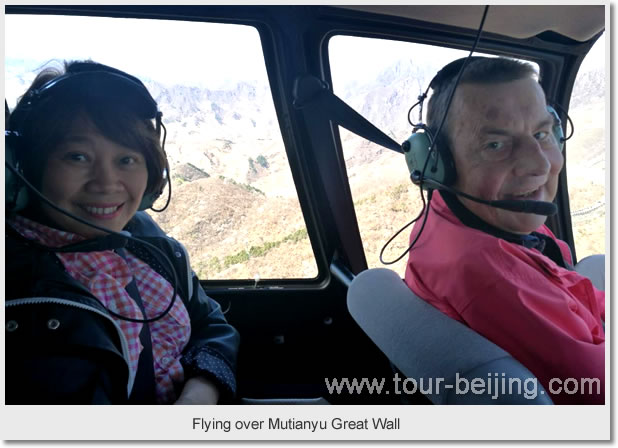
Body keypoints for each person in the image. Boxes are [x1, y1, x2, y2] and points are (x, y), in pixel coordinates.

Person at [5, 60, 240, 404]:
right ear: (25, 167)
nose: (106, 183)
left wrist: (201, 391)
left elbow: (209, 322)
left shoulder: (145, 240)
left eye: (127, 160)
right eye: (78, 156)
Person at [403, 57, 604, 404]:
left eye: (542, 134)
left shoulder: (452, 216)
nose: (541, 164)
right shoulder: (494, 278)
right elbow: (599, 391)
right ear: (437, 164)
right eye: (496, 145)